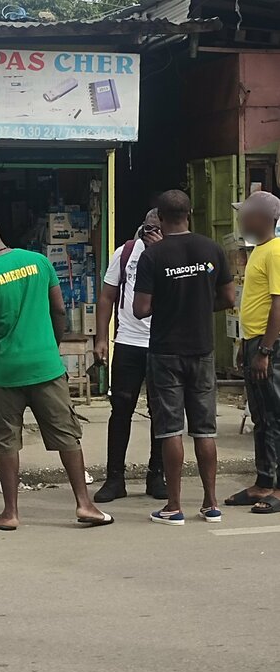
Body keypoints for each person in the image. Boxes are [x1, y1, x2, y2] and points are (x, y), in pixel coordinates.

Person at [0, 215, 114, 531]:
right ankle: (85, 505)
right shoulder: (39, 262)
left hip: (5, 373)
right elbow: (58, 310)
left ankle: (10, 513)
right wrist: (50, 344)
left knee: (7, 442)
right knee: (67, 436)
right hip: (46, 367)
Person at [133, 190, 235, 525]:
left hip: (166, 351)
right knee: (205, 430)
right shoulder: (212, 249)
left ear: (159, 218)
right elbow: (227, 298)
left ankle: (174, 506)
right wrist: (200, 303)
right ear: (190, 213)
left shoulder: (153, 255)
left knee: (170, 429)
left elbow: (141, 308)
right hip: (202, 349)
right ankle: (210, 503)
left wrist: (170, 302)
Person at [93, 210, 166, 504]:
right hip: (128, 341)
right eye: (149, 227)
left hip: (163, 343)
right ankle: (115, 478)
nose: (152, 233)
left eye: (159, 229)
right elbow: (107, 296)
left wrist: (161, 250)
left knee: (162, 413)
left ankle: (156, 474)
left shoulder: (174, 253)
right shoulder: (125, 253)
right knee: (120, 409)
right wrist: (101, 338)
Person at [225, 191, 280, 514]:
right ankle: (263, 480)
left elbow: (278, 304)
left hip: (268, 344)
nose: (240, 220)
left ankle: (276, 485)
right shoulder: (259, 251)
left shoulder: (274, 252)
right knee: (261, 416)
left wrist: (266, 349)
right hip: (254, 342)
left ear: (261, 218)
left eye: (244, 214)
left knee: (274, 415)